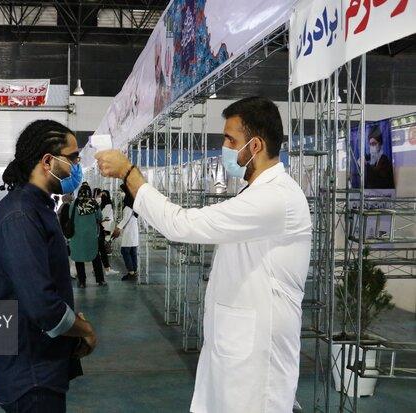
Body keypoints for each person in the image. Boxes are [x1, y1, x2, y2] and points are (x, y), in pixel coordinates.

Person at [96, 96, 312, 413]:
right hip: (237, 347)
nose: (224, 147)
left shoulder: (276, 198)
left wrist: (130, 173)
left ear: (255, 145)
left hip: (257, 359)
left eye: (230, 139)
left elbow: (182, 224)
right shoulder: (259, 193)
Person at [0, 120, 98, 413]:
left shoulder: (37, 207)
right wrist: (84, 329)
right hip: (28, 371)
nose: (77, 167)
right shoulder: (20, 216)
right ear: (47, 161)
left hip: (33, 360)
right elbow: (42, 306)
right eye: (73, 159)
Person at [68, 184, 107, 288]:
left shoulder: (74, 204)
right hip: (91, 236)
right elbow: (100, 217)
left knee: (79, 258)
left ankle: (82, 282)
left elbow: (70, 216)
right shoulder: (94, 203)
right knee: (95, 256)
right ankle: (100, 280)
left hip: (77, 236)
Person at [112, 184, 139, 281]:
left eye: (122, 191)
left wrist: (118, 228)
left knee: (125, 251)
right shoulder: (134, 204)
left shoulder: (128, 206)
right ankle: (134, 271)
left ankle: (131, 272)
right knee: (133, 251)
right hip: (133, 230)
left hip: (129, 231)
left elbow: (126, 219)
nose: (121, 194)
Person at [98, 190, 118, 276]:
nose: (102, 196)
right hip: (102, 228)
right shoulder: (102, 204)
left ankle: (105, 268)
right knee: (102, 249)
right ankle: (106, 268)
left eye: (104, 195)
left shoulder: (108, 204)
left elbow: (103, 215)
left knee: (102, 248)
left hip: (106, 228)